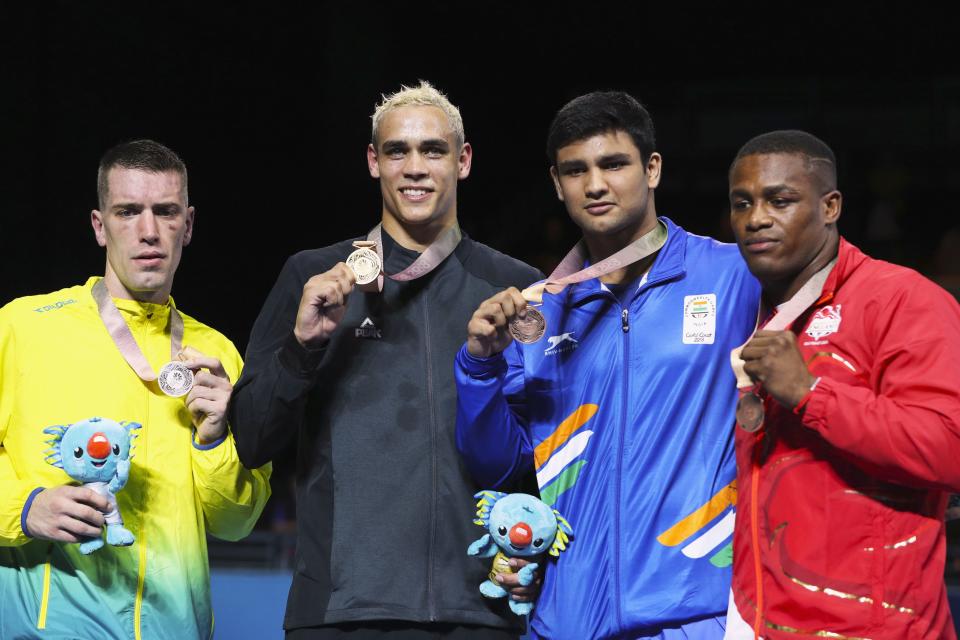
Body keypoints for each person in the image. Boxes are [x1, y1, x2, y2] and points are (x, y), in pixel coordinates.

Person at [228, 81, 542, 638]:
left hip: (479, 612)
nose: (415, 167)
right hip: (341, 613)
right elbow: (252, 439)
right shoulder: (314, 277)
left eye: (433, 150)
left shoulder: (517, 289)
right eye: (398, 150)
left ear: (463, 161)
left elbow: (546, 451)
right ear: (374, 161)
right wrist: (304, 348)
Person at [455, 91, 761, 639]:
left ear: (652, 169)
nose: (595, 184)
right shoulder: (535, 312)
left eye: (613, 164)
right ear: (557, 183)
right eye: (576, 170)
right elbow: (499, 468)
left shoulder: (733, 278)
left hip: (697, 615)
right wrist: (480, 365)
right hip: (567, 620)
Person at [0, 139, 272, 639]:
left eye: (165, 212)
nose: (148, 231)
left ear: (187, 226)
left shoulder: (218, 354)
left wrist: (212, 440)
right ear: (100, 227)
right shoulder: (22, 328)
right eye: (128, 211)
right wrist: (24, 506)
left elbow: (236, 524)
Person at [725, 130, 960, 639]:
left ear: (830, 206)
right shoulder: (745, 311)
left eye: (779, 200)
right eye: (741, 203)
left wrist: (811, 394)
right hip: (758, 618)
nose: (755, 218)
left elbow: (950, 448)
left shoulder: (902, 300)